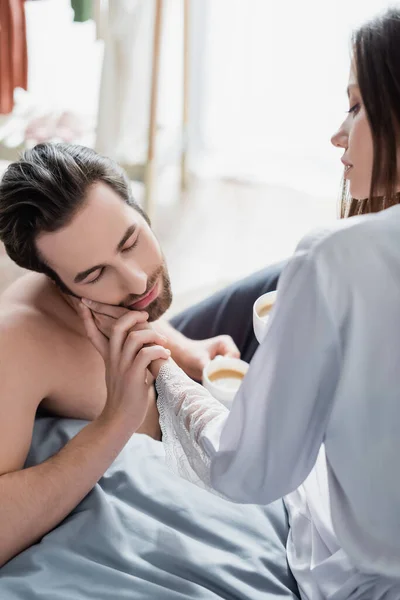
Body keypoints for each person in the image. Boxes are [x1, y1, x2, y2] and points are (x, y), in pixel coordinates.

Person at [106, 7, 400, 600]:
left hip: (349, 574)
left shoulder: (335, 260)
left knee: (231, 307)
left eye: (355, 105)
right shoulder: (334, 263)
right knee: (263, 289)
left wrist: (166, 372)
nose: (338, 134)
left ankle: (154, 337)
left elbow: (251, 473)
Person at [0, 139, 288, 592]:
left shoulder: (119, 297)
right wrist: (116, 420)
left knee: (292, 280)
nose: (136, 279)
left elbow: (138, 309)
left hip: (184, 378)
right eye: (93, 275)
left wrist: (184, 348)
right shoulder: (16, 344)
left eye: (131, 240)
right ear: (56, 282)